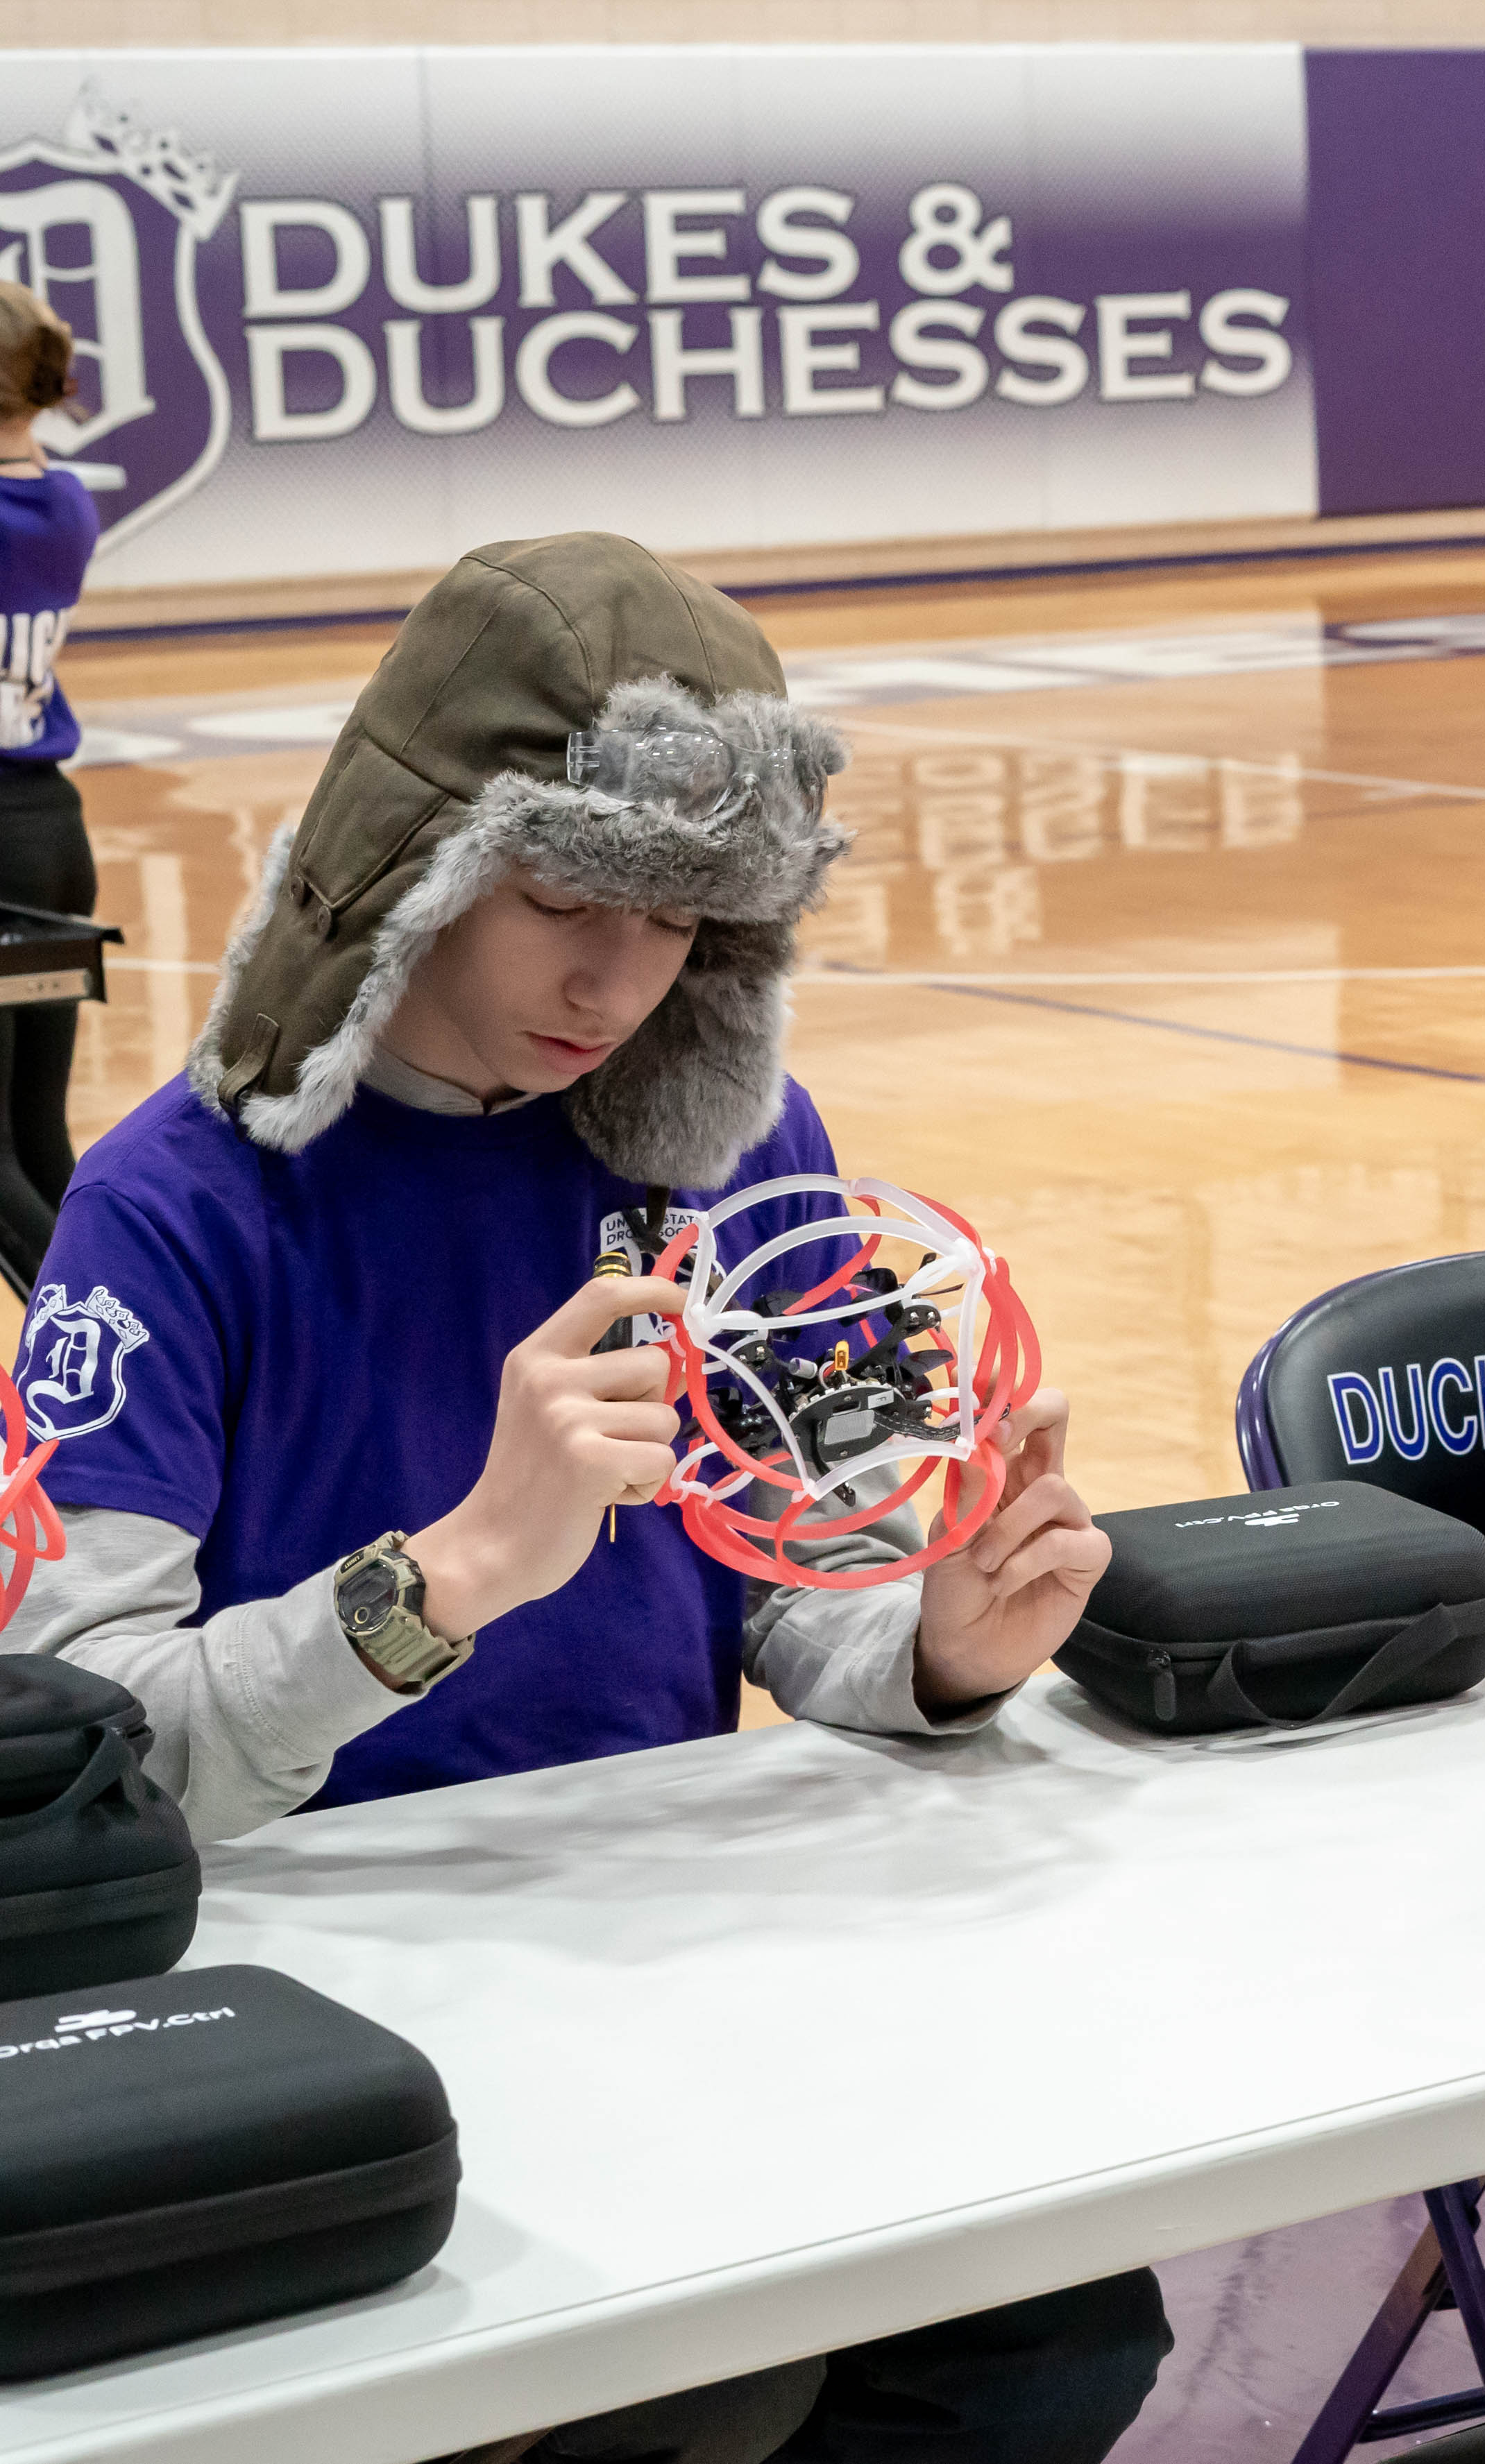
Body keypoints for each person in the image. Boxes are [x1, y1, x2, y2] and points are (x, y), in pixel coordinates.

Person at [1, 533, 1165, 2464]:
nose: (619, 983)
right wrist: (445, 1578)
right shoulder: (164, 1214)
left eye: (690, 930)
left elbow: (803, 1585)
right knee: (718, 2373)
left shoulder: (736, 1150)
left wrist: (939, 1641)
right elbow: (84, 1795)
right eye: (561, 900)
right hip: (327, 1992)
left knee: (1056, 2327)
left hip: (667, 1934)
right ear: (413, 870)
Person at [0, 280, 101, 1292]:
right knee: (36, 1136)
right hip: (54, 840)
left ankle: (99, 1333)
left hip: (3, 846)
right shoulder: (66, 503)